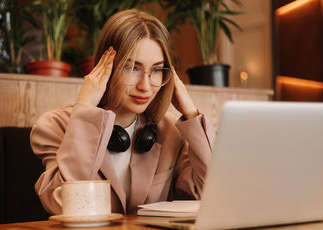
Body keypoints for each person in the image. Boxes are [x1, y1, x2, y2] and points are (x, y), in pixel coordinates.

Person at [30, 9, 216, 215]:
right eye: (132, 68)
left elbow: (211, 194)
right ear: (106, 65)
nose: (146, 86)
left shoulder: (171, 132)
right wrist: (85, 113)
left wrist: (191, 114)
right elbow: (62, 204)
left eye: (156, 70)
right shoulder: (55, 126)